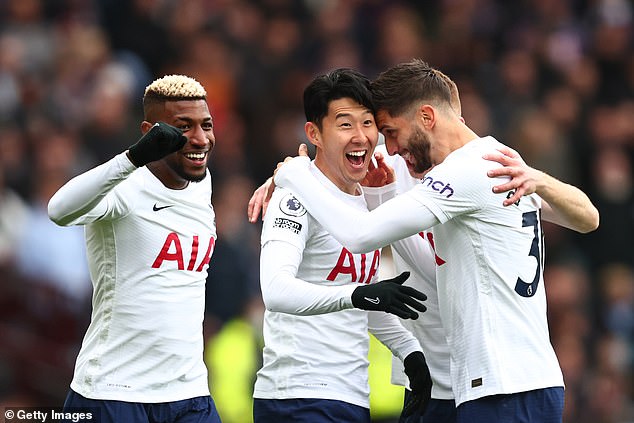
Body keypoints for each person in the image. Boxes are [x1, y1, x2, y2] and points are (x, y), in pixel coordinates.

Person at [272, 59, 600, 423]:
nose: (390, 147)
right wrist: (537, 178)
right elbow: (588, 217)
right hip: (504, 379)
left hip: (502, 385)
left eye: (391, 132)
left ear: (426, 117)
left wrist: (294, 176)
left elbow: (360, 235)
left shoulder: (463, 174)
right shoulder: (501, 161)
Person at [252, 68, 432, 423]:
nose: (361, 136)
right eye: (345, 124)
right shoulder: (294, 197)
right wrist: (357, 295)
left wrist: (411, 353)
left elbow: (360, 299)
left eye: (367, 123)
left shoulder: (364, 200)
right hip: (297, 396)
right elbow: (275, 291)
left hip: (349, 397)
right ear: (314, 133)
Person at [48, 75, 222, 422]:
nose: (200, 139)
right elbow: (58, 210)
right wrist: (132, 158)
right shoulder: (125, 186)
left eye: (206, 125)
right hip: (115, 392)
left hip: (188, 392)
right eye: (183, 127)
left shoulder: (201, 184)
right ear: (150, 131)